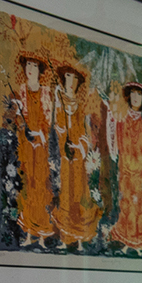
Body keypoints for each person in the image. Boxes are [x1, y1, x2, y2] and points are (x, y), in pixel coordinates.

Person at [106, 82, 142, 251]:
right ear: (128, 97)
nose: (135, 98)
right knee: (126, 202)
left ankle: (138, 239)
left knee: (138, 203)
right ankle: (127, 237)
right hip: (125, 169)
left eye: (138, 94)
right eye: (133, 94)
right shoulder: (122, 120)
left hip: (140, 170)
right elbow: (113, 137)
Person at [49, 65, 101, 245]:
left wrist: (79, 146)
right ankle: (66, 237)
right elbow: (57, 127)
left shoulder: (80, 108)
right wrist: (64, 142)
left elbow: (86, 135)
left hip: (78, 158)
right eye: (68, 78)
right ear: (64, 80)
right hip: (66, 158)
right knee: (66, 194)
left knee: (79, 194)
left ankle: (79, 239)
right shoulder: (59, 103)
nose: (71, 82)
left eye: (74, 79)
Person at [11, 54, 55, 246]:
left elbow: (47, 121)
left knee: (40, 187)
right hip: (27, 147)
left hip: (40, 146)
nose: (30, 69)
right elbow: (20, 120)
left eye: (34, 66)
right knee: (28, 187)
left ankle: (42, 235)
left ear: (39, 70)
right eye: (28, 65)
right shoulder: (22, 91)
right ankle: (29, 234)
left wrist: (38, 134)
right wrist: (24, 129)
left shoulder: (45, 93)